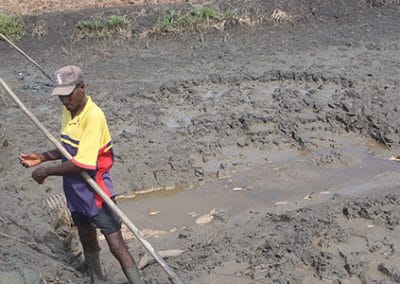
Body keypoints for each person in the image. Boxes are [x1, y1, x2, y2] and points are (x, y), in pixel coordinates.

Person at [19, 65, 144, 284]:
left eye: (68, 95)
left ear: (82, 88)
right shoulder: (67, 111)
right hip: (75, 191)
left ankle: (137, 282)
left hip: (96, 190)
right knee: (86, 237)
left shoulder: (93, 116)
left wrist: (46, 172)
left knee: (115, 242)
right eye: (61, 97)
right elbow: (68, 148)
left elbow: (84, 163)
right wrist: (43, 156)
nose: (65, 101)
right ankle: (98, 280)